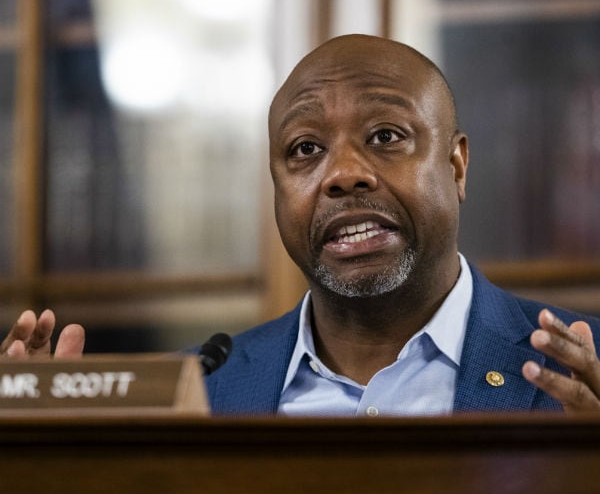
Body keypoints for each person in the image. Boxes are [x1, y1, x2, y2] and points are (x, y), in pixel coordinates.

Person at [2, 34, 600, 416]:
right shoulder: (191, 395)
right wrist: (40, 460)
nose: (342, 174)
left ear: (457, 163)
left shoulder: (586, 374)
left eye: (386, 136)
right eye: (305, 149)